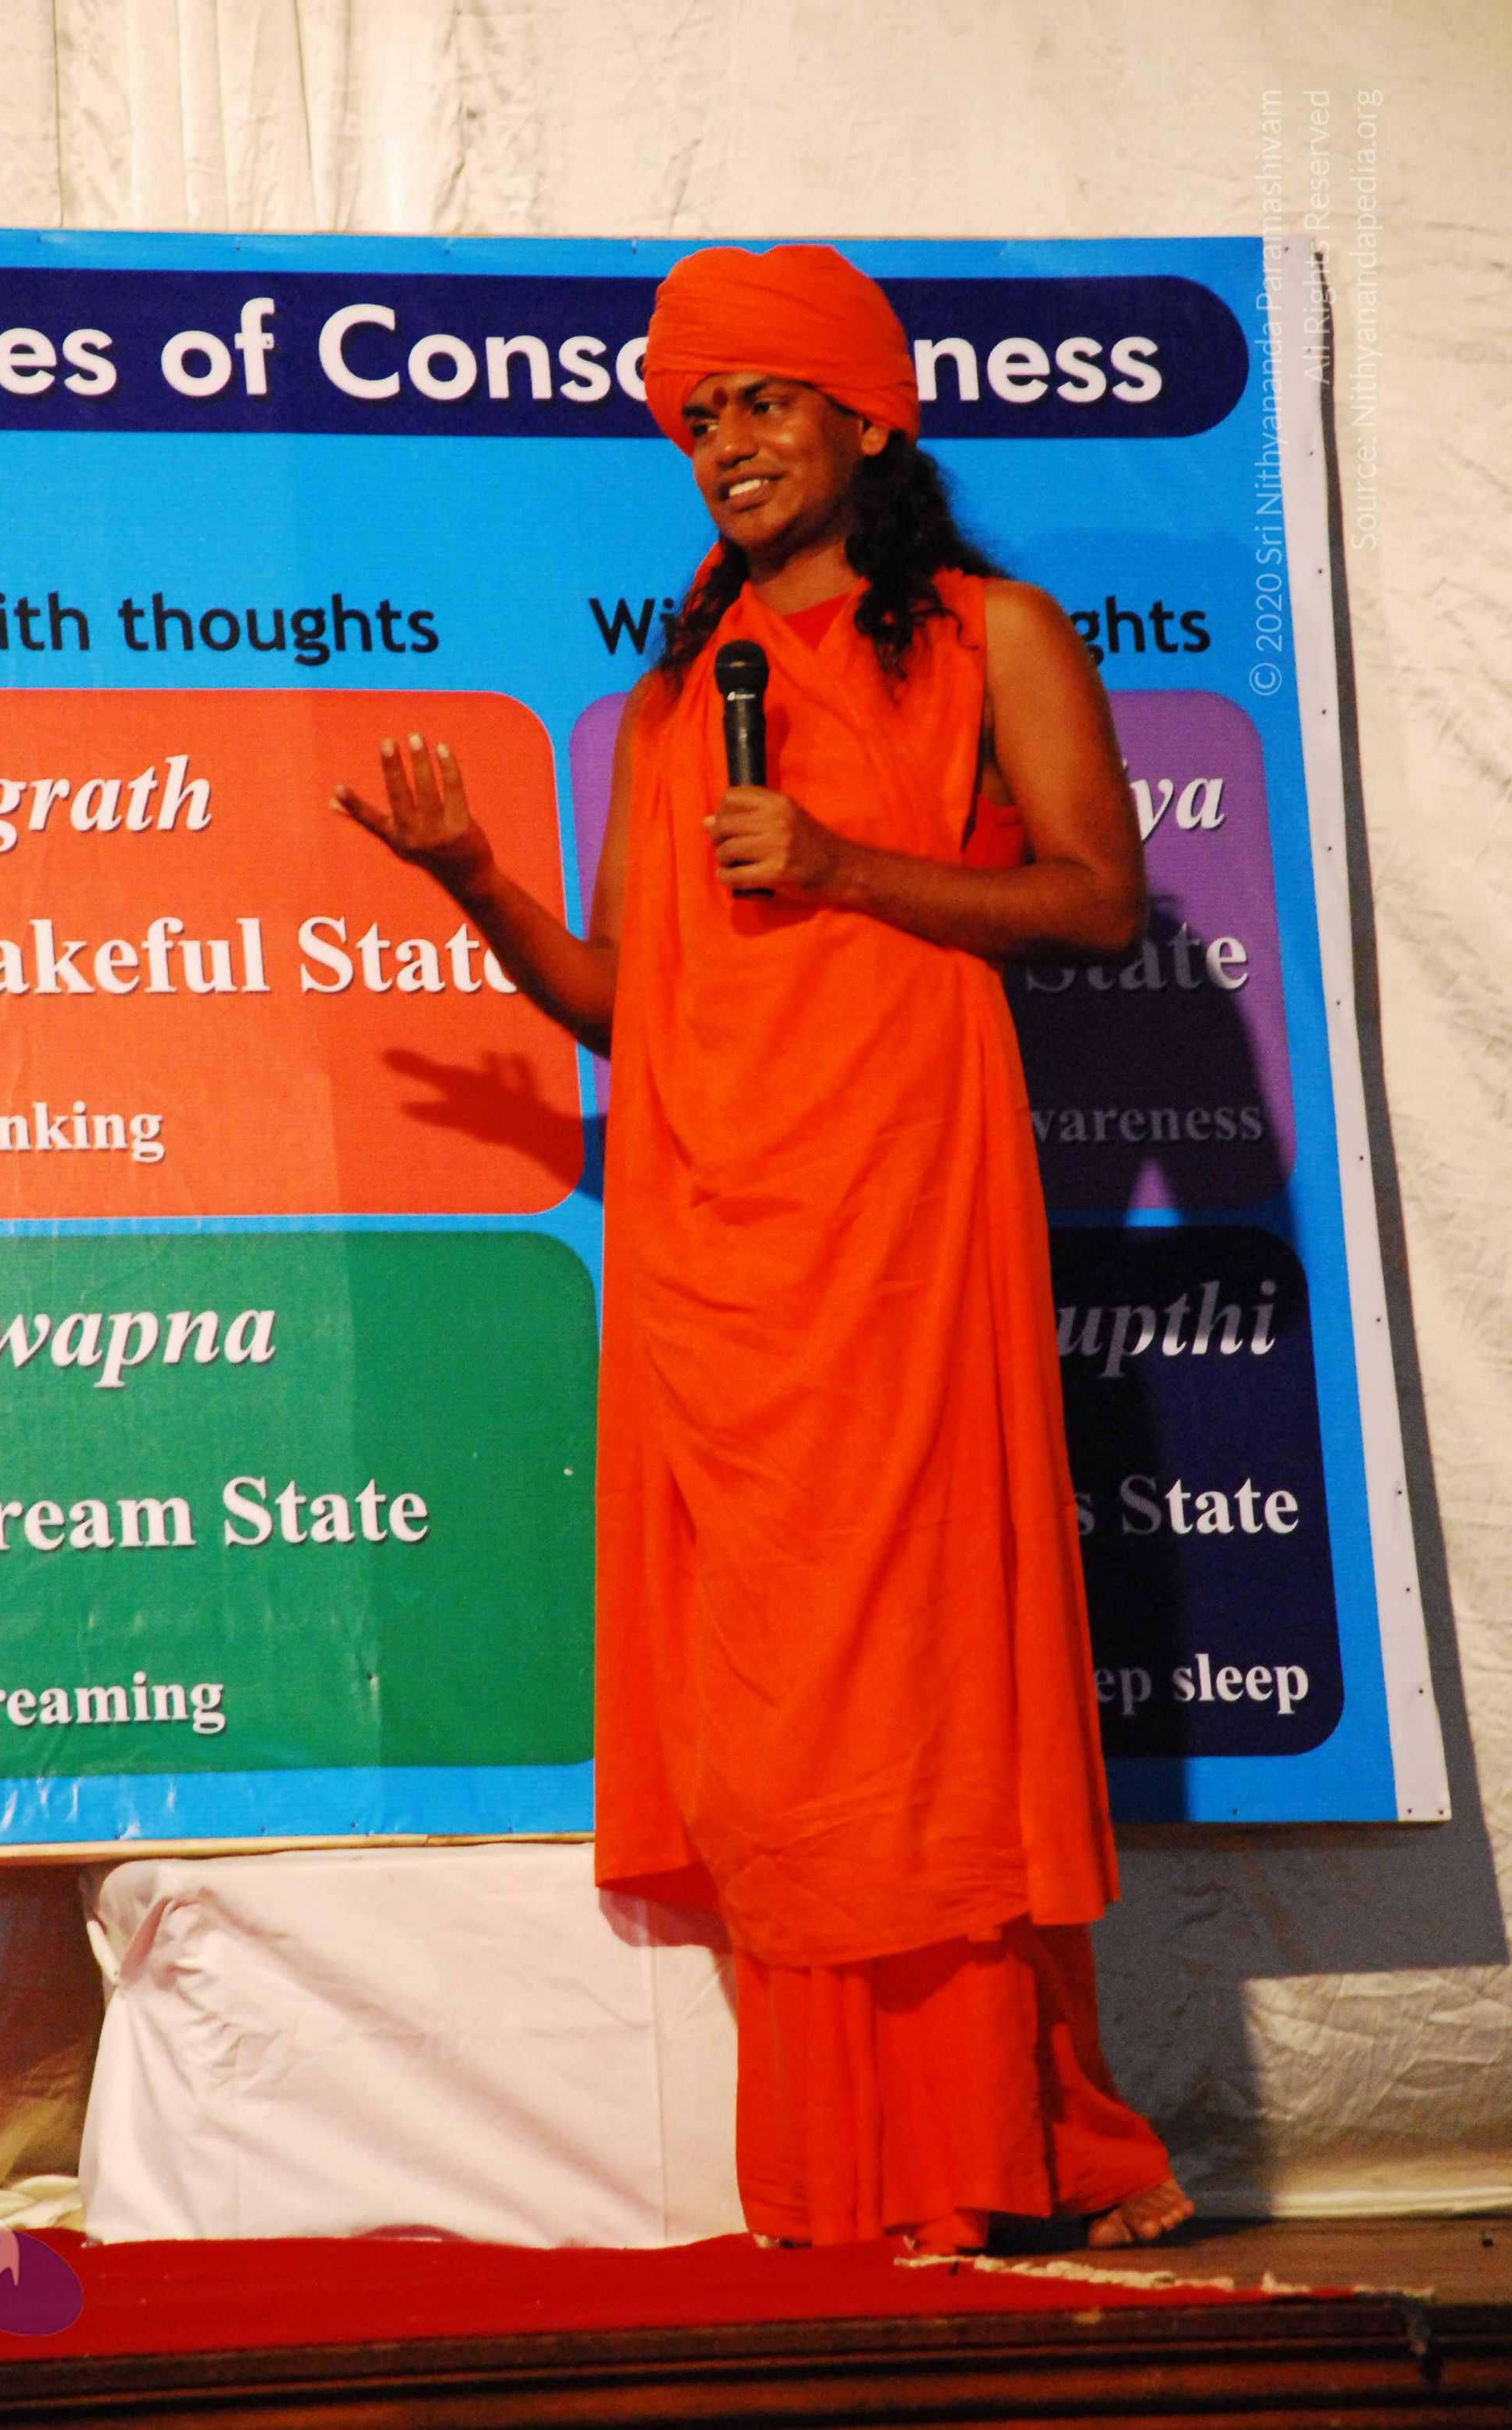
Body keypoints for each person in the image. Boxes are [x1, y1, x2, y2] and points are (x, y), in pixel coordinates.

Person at [335, 242, 1192, 2256]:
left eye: (757, 402)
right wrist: (476, 886)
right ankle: (854, 2165)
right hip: (715, 1244)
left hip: (906, 1212)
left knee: (924, 1678)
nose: (718, 442)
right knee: (782, 1705)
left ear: (864, 418)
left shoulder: (988, 635)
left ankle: (1008, 2145)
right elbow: (628, 1000)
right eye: (696, 414)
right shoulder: (671, 699)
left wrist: (841, 863)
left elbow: (1093, 904)